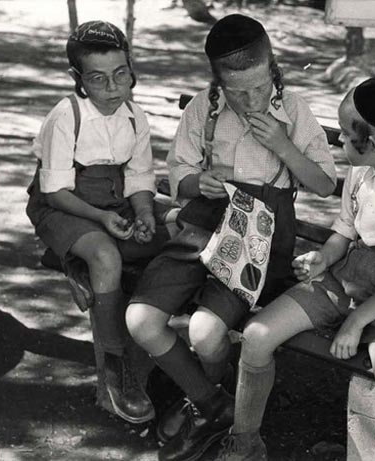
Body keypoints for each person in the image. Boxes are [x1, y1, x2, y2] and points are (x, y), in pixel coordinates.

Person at [124, 14, 337, 461]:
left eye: (260, 87)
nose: (251, 99)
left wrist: (283, 146)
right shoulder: (205, 106)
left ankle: (203, 394)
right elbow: (178, 170)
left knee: (204, 332)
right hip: (202, 223)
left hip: (257, 235)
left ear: (272, 66)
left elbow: (323, 184)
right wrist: (194, 183)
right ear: (217, 80)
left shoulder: (293, 110)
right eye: (237, 91)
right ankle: (212, 403)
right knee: (140, 320)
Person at [216, 75, 375, 461]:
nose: (339, 140)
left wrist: (357, 320)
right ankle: (245, 442)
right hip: (350, 277)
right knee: (257, 335)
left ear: (372, 143)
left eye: (345, 134)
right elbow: (345, 230)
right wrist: (324, 257)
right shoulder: (361, 173)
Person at [25, 20, 171, 425]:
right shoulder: (66, 116)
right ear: (78, 79)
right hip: (64, 206)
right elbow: (54, 191)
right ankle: (116, 367)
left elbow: (140, 177)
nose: (113, 87)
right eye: (98, 78)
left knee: (171, 228)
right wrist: (102, 219)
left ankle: (83, 264)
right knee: (106, 256)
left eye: (121, 74)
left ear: (131, 68)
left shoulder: (134, 116)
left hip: (113, 200)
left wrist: (142, 213)